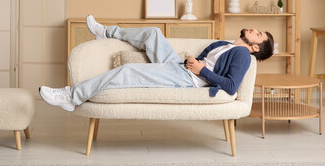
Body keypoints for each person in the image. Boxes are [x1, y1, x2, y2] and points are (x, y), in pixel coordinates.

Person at [39, 15, 274, 111]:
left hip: (189, 79)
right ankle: (108, 33)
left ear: (254, 48)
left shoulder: (243, 56)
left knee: (128, 70)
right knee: (153, 34)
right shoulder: (225, 44)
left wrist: (201, 69)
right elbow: (202, 58)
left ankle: (72, 97)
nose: (254, 30)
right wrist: (196, 61)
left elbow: (231, 86)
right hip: (182, 68)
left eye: (258, 34)